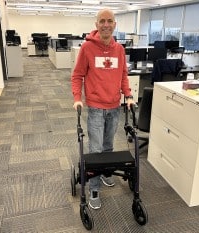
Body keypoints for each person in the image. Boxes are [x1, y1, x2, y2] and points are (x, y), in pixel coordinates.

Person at [71, 8, 135, 210]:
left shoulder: (119, 50)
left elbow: (123, 75)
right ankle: (94, 188)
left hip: (115, 106)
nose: (106, 24)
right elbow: (77, 75)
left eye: (110, 21)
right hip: (96, 108)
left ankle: (107, 174)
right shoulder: (87, 48)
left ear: (115, 24)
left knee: (108, 146)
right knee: (96, 150)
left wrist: (129, 95)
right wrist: (77, 98)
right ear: (96, 24)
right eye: (102, 21)